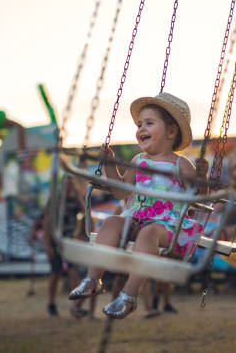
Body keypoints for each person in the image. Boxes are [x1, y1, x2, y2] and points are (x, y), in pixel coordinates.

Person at [68, 92, 205, 319]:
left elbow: (199, 198)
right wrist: (111, 166)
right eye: (139, 124)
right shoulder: (138, 161)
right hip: (139, 219)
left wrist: (201, 178)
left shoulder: (182, 165)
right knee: (112, 222)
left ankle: (130, 295)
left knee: (149, 234)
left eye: (149, 123)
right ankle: (93, 279)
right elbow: (121, 191)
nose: (141, 129)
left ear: (171, 132)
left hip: (169, 226)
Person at [42, 176, 87, 317]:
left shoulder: (75, 200)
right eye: (66, 184)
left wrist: (78, 194)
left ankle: (75, 306)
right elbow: (46, 221)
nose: (68, 186)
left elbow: (86, 212)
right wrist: (48, 245)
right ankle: (51, 303)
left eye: (71, 184)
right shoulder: (56, 200)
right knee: (56, 273)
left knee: (74, 273)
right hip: (56, 240)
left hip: (70, 240)